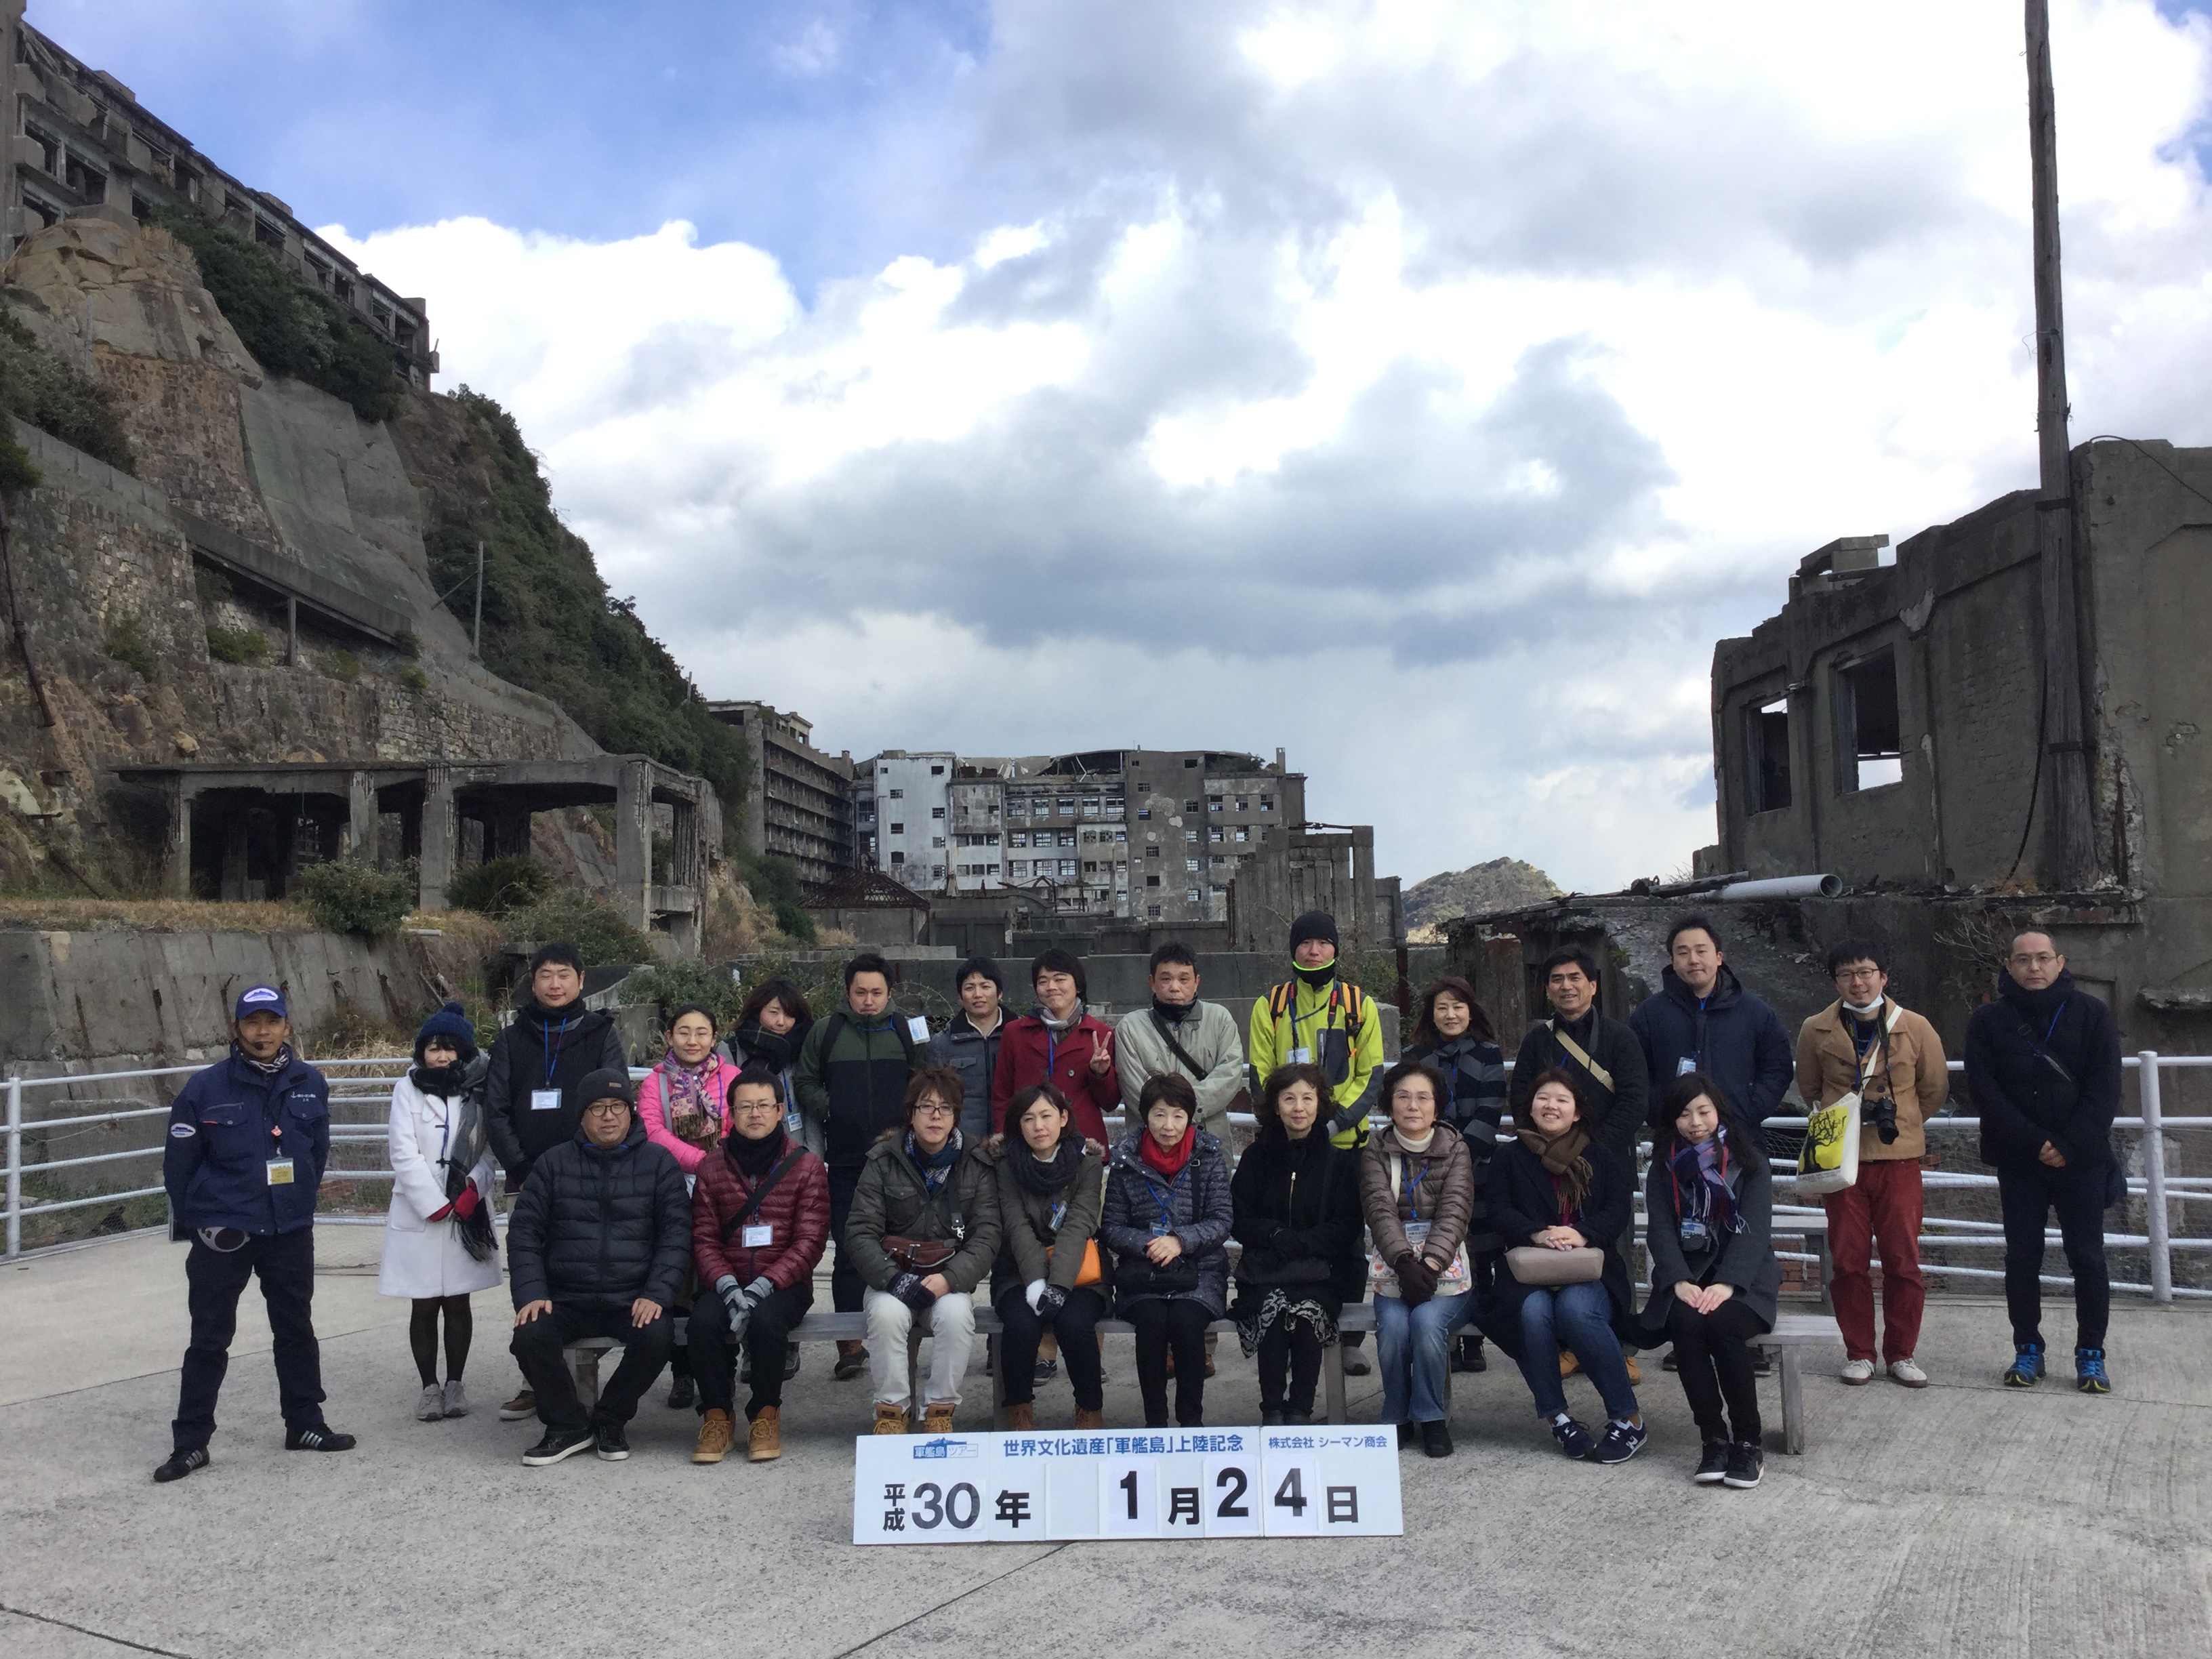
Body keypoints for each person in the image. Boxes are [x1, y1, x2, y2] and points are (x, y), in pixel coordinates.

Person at [155, 985, 354, 1483]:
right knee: (209, 1337)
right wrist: (200, 1224)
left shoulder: (310, 1082)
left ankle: (305, 1424)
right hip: (224, 1232)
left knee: (296, 1329)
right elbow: (179, 1167)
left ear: (288, 1027)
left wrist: (297, 1202)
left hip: (289, 1229)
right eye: (252, 1022)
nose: (262, 1032)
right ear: (236, 1028)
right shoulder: (204, 1088)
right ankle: (191, 1442)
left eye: (272, 1021)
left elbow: (316, 1152)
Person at [506, 1069, 691, 1466]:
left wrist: (656, 1293)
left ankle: (611, 1418)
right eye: (597, 1108)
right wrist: (532, 1293)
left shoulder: (659, 1164)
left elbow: (676, 1236)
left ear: (631, 1112)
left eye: (618, 1107)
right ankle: (567, 1425)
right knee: (530, 1334)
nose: (609, 1116)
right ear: (582, 1116)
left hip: (632, 1296)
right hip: (567, 1297)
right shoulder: (553, 1164)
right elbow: (524, 1234)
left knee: (658, 1336)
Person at [1966, 930, 2123, 1393]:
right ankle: (2027, 1348)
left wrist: (2069, 1145)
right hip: (2020, 1161)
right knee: (2022, 1257)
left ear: (2060, 961)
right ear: (2009, 966)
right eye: (2023, 959)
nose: (2033, 967)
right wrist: (2035, 1142)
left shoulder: (2092, 1013)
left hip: (2082, 1161)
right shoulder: (1989, 1020)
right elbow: (1984, 1091)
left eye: (2042, 958)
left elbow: (2105, 1088)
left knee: (2088, 1257)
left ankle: (2091, 1353)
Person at [481, 941, 628, 1422]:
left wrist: (588, 1166)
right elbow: (495, 1110)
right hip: (526, 1179)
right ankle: (537, 1381)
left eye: (564, 974)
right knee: (533, 1273)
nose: (555, 983)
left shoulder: (600, 1033)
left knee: (582, 1270)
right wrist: (524, 1169)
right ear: (534, 982)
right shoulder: (512, 1038)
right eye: (545, 974)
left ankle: (579, 1374)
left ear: (581, 981)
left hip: (589, 1177)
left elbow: (615, 1102)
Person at [1795, 939, 1948, 1387]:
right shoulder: (1815, 1029)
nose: (1857, 982)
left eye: (1866, 973)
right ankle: (1859, 1351)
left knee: (1903, 1259)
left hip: (1898, 1158)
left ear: (1883, 977)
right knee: (1848, 1261)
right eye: (1846, 974)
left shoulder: (1915, 1027)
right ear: (1835, 982)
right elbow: (1810, 1087)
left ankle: (1902, 1353)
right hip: (1842, 1163)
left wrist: (1904, 1122)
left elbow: (1934, 1089)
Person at [1479, 1069, 1645, 1465]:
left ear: (1577, 1112)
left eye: (1561, 1100)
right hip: (1528, 1270)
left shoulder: (1599, 1155)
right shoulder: (1509, 1156)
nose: (1551, 1106)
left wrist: (1582, 1233)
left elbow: (1617, 1210)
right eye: (1543, 1098)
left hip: (1588, 1268)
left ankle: (1629, 1418)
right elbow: (1497, 1209)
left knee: (1576, 1310)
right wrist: (1536, 1233)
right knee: (1533, 1314)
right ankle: (1559, 1417)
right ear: (1530, 1107)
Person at [1246, 910, 1384, 1372]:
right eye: (1305, 943)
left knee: (1348, 1243)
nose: (1313, 951)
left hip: (1344, 1145)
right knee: (1285, 1234)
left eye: (1323, 942)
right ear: (1293, 950)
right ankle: (1287, 1330)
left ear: (1335, 949)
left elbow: (1371, 1076)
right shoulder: (1270, 1005)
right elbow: (1260, 1072)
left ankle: (1348, 1339)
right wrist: (1290, 1121)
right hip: (1287, 1143)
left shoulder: (1358, 1005)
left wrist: (1330, 1124)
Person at [1511, 947, 1651, 1383]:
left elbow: (1634, 1101)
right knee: (1555, 1255)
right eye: (1556, 979)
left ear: (1593, 985)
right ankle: (1565, 1345)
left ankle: (1621, 1346)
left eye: (1575, 978)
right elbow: (1521, 1100)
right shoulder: (1537, 1041)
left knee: (1615, 1256)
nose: (1566, 986)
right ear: (1547, 989)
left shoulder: (1620, 1038)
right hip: (1548, 1170)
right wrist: (1549, 1151)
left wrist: (1590, 1152)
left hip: (1607, 1166)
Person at [1636, 1073, 1780, 1490]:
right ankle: (1713, 1439)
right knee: (1685, 1323)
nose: (1695, 1122)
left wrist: (1729, 1283)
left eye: (1703, 1111)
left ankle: (1748, 1442)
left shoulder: (1749, 1162)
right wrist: (1678, 1280)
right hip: (1690, 1275)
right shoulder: (1664, 1167)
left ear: (1719, 1113)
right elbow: (1660, 1230)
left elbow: (1755, 1231)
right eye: (1684, 1114)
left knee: (1722, 1324)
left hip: (1746, 1279)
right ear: (1672, 1120)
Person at [845, 1067, 1003, 1433]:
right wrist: (893, 1280)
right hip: (891, 1278)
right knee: (886, 1315)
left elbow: (987, 1235)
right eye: (926, 1107)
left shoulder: (977, 1163)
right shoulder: (882, 1160)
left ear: (956, 1116)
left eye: (945, 1108)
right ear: (911, 1113)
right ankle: (892, 1410)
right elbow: (860, 1232)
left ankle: (939, 1410)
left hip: (947, 1279)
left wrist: (950, 1279)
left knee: (956, 1316)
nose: (936, 1116)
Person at [687, 1067, 830, 1464]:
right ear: (731, 1112)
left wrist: (765, 1285)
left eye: (764, 1106)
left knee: (767, 1321)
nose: (755, 1114)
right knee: (703, 1322)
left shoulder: (806, 1166)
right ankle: (717, 1415)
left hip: (784, 1284)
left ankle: (765, 1413)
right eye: (745, 1106)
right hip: (726, 1280)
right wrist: (727, 1285)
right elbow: (703, 1238)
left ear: (780, 1111)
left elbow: (810, 1241)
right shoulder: (711, 1167)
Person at [795, 952, 926, 1380]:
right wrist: (833, 1110)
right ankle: (849, 1343)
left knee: (905, 1248)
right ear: (847, 992)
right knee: (850, 1250)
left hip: (902, 1161)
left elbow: (927, 1082)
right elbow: (805, 1081)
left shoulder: (907, 1030)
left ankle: (902, 1337)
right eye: (860, 992)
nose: (868, 1001)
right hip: (846, 1160)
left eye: (876, 993)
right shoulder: (826, 1031)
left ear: (890, 993)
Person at [377, 1001, 500, 1424]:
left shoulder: (479, 1090)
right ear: (421, 1052)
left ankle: (456, 1383)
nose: (442, 1056)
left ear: (464, 1051)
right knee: (425, 1304)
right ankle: (429, 1387)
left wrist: (472, 1189)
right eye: (433, 1048)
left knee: (459, 1301)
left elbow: (489, 1151)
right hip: (420, 1212)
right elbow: (403, 1152)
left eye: (450, 1048)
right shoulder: (406, 1090)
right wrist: (433, 1203)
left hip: (466, 1212)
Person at [1230, 1064, 1364, 1425]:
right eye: (1289, 1098)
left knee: (1306, 1318)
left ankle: (1301, 1411)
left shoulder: (1338, 1162)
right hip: (1265, 1270)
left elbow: (1348, 1224)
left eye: (1308, 1098)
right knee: (1272, 1316)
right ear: (1276, 1106)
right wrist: (1274, 1235)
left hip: (1320, 1273)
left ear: (1321, 1104)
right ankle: (1273, 1410)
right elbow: (1239, 1218)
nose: (1299, 1107)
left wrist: (1304, 1242)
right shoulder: (1256, 1158)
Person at [1101, 1074, 1233, 1429]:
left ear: (1190, 1117)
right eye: (1159, 1115)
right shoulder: (1126, 1159)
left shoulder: (1208, 1154)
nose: (1168, 1126)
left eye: (1178, 1115)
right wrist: (1149, 1245)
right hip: (1144, 1271)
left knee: (1187, 1322)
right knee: (1152, 1323)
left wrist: (1179, 1241)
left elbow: (1222, 1219)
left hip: (1200, 1269)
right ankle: (1155, 1422)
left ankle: (1191, 1420)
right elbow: (1111, 1226)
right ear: (1146, 1116)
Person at [1359, 1061, 1477, 1458]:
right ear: (1389, 1104)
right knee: (1393, 1328)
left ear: (1437, 1107)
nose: (1413, 1106)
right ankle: (1396, 1414)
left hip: (1445, 1274)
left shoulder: (1456, 1149)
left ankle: (1431, 1417)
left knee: (1427, 1324)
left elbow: (1455, 1212)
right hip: (1396, 1270)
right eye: (1403, 1097)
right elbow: (1379, 1210)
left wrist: (1428, 1266)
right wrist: (1404, 1264)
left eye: (1423, 1098)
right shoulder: (1375, 1149)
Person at [636, 1002, 744, 1409]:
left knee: (719, 1278)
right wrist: (702, 1162)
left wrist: (716, 1168)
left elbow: (740, 1126)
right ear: (669, 1037)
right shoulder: (655, 1083)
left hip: (726, 1186)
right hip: (671, 1187)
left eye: (702, 1032)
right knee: (677, 1279)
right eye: (684, 1032)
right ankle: (681, 1373)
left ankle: (722, 1371)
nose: (693, 1040)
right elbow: (652, 1131)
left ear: (714, 1038)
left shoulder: (732, 1078)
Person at [989, 1083, 1109, 1431]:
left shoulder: (1087, 1163)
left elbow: (1079, 1225)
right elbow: (1016, 1227)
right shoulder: (1006, 1166)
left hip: (1079, 1271)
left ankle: (1089, 1409)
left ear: (1063, 1118)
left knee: (1075, 1324)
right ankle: (1019, 1411)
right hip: (1019, 1272)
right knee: (1021, 1326)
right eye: (1028, 1119)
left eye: (1046, 1116)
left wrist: (1057, 1286)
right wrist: (1037, 1284)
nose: (1038, 1126)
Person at [1404, 977, 1507, 1374]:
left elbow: (1490, 1113)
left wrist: (1458, 1161)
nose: (1451, 1014)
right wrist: (1436, 1162)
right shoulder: (1416, 1057)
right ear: (1431, 1014)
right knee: (1434, 1251)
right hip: (1426, 1172)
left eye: (1458, 1006)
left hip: (1477, 1170)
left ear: (1471, 1010)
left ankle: (1475, 1340)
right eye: (1442, 1007)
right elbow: (1411, 1114)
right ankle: (1443, 1339)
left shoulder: (1488, 1053)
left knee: (1480, 1254)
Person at [1628, 915, 1793, 1127]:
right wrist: (1661, 1111)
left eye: (1701, 951)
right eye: (1683, 953)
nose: (1693, 960)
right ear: (1673, 962)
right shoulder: (1649, 1014)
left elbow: (1778, 1068)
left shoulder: (1754, 1011)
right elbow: (1634, 1074)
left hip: (1740, 1135)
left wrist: (1748, 1109)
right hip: (1673, 1135)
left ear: (1719, 957)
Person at [1115, 942, 1248, 1145]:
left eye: (1184, 979)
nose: (1175, 988)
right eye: (1166, 979)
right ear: (1152, 982)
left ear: (1196, 982)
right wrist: (1170, 1120)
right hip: (1150, 1143)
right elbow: (1133, 1088)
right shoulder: (1131, 1027)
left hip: (1208, 1140)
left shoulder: (1220, 1019)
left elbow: (1230, 1073)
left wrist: (1184, 1112)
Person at [992, 947, 1120, 1145]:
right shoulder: (1015, 1033)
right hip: (1030, 1140)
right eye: (1043, 981)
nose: (1051, 987)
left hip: (1083, 1142)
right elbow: (1002, 1095)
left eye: (1059, 979)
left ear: (1078, 985)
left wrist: (1101, 1074)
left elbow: (1110, 1103)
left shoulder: (1100, 1034)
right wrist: (1008, 1138)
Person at [730, 977, 818, 1156]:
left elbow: (811, 1110)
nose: (781, 1022)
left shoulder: (805, 1048)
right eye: (774, 1012)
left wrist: (813, 1157)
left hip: (798, 1151)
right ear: (758, 1011)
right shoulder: (733, 1050)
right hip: (747, 1150)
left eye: (789, 1014)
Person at [930, 957, 1009, 1143]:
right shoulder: (943, 1043)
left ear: (999, 993)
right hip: (962, 1143)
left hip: (1012, 1139)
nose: (978, 994)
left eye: (985, 986)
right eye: (969, 988)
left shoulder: (1019, 1035)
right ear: (960, 997)